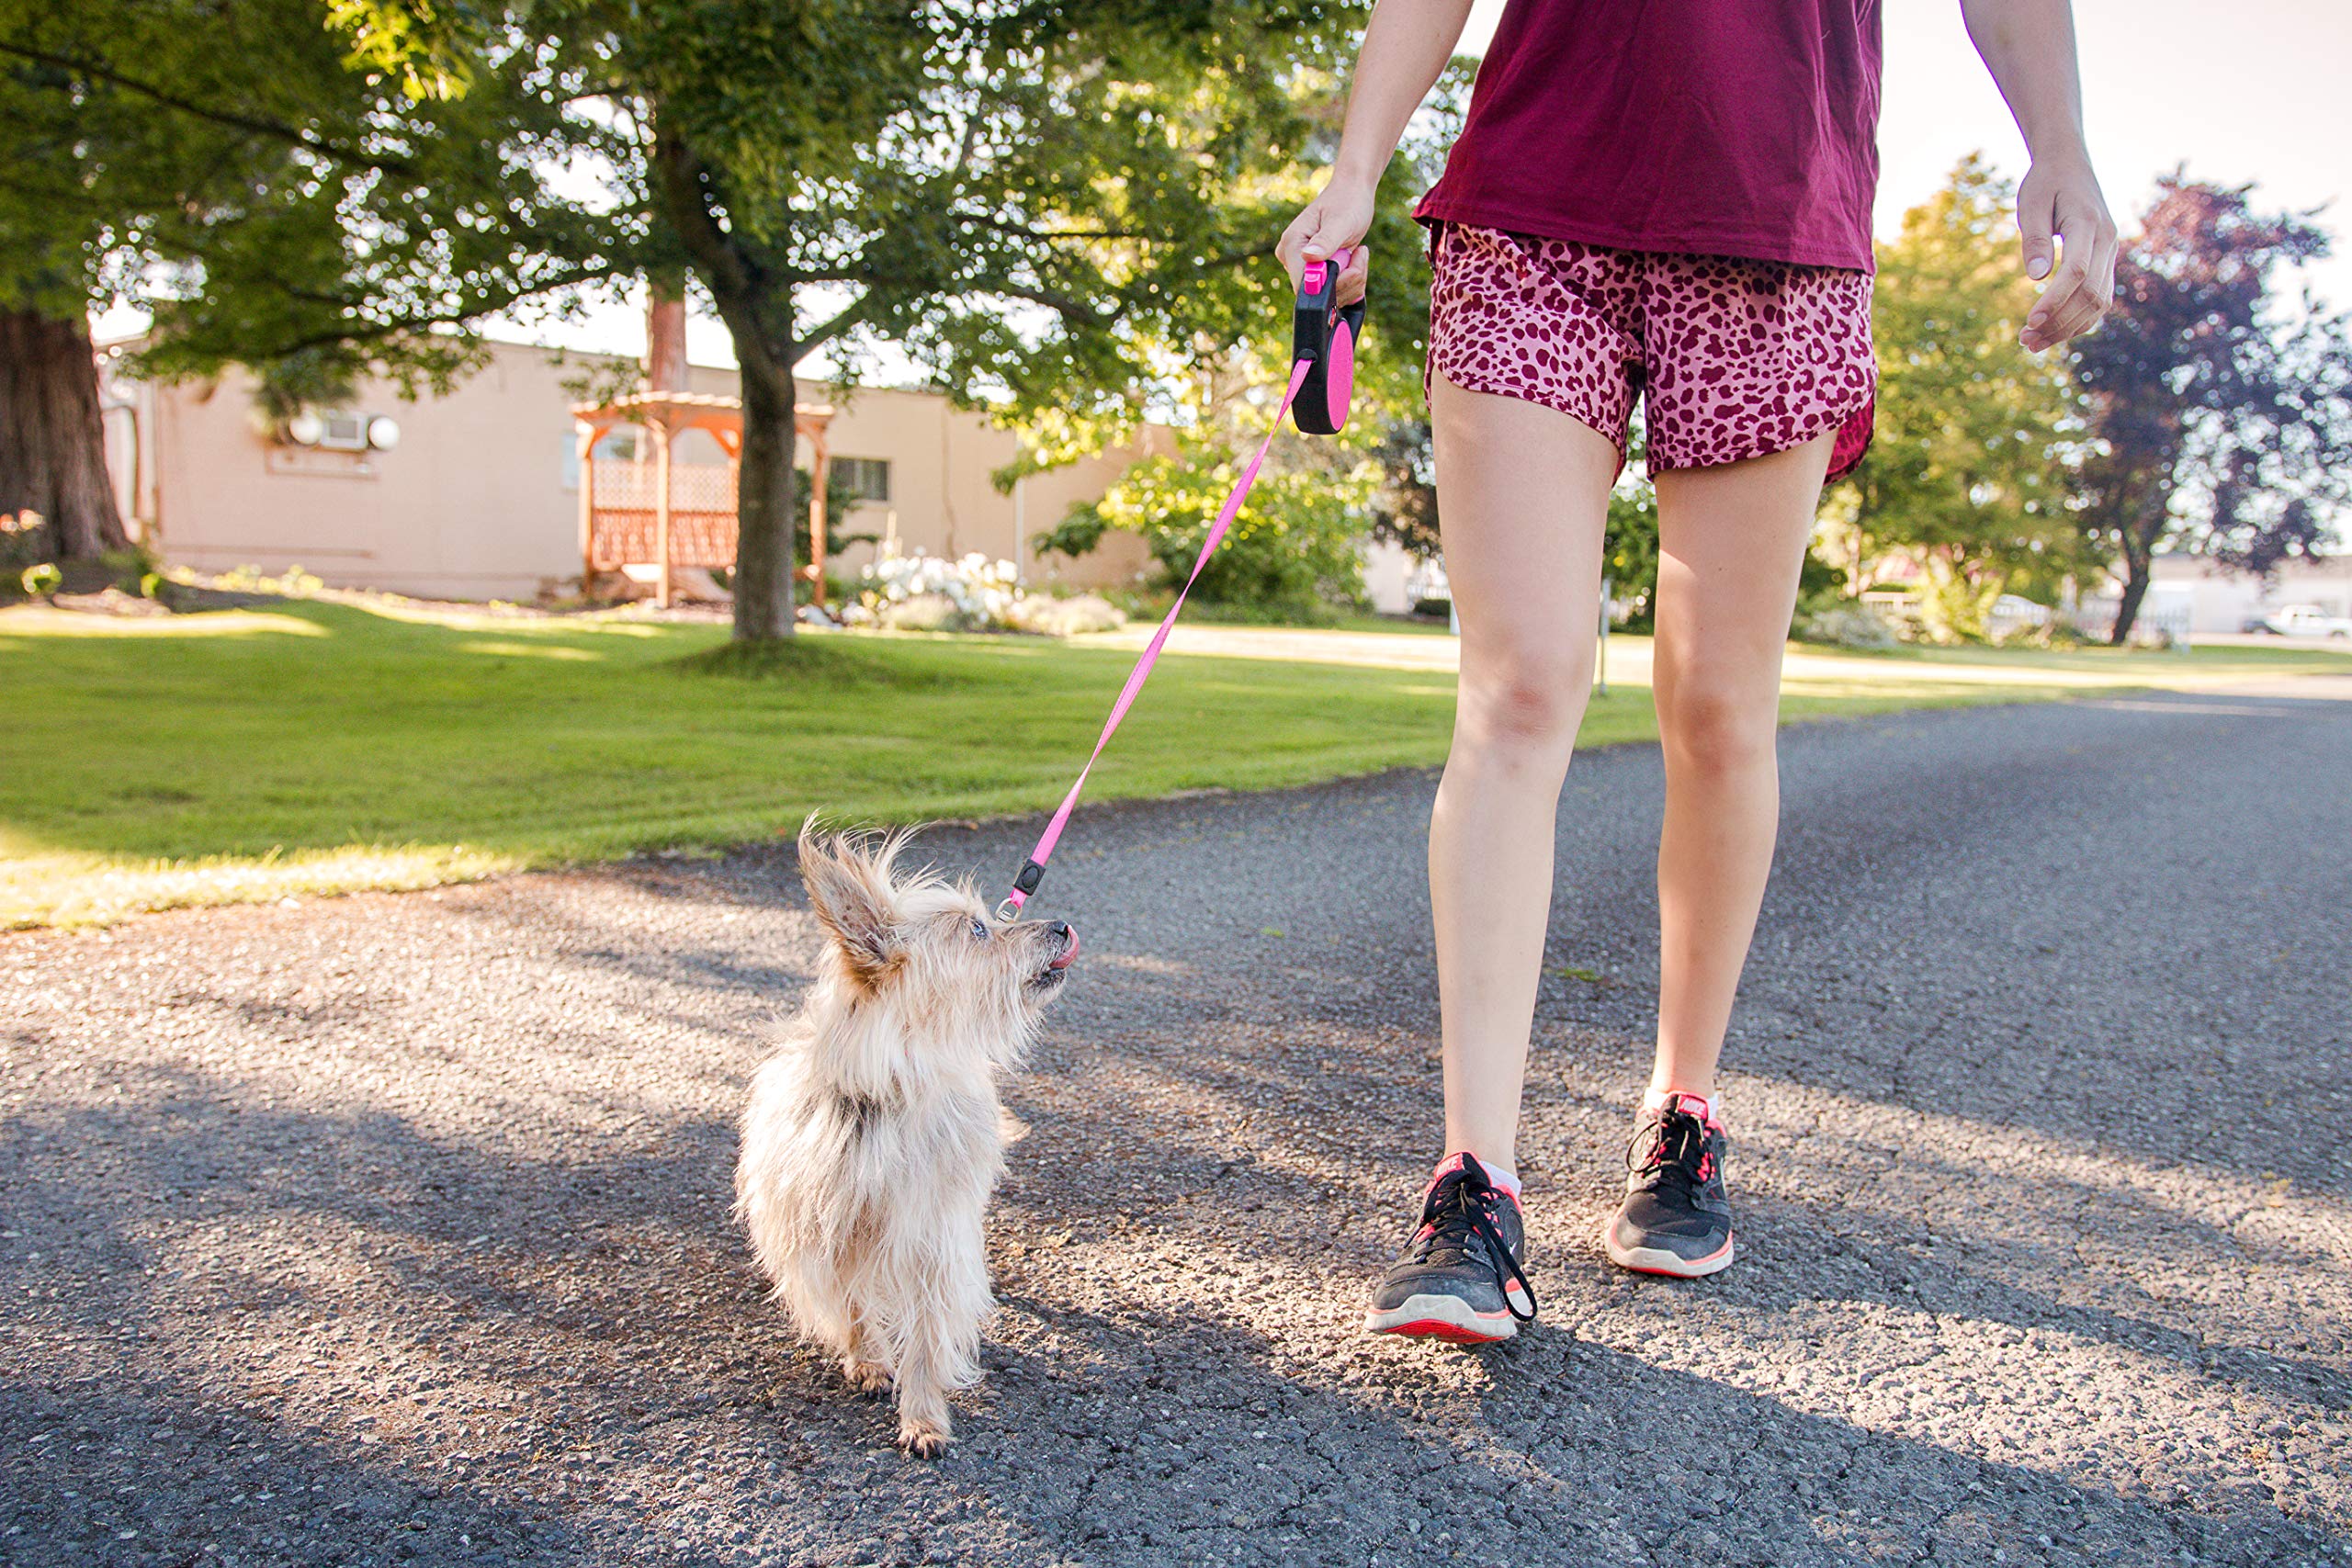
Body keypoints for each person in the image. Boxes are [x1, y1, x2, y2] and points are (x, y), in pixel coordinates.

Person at [1277, 0, 2117, 1343]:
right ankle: (1472, 1187)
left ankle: (1683, 1112)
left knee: (1719, 706)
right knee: (1522, 683)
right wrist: (1357, 165)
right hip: (1532, 208)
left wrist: (2061, 141)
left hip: (1778, 219)